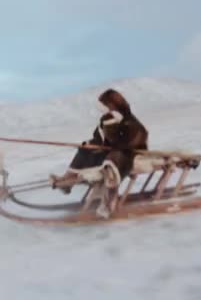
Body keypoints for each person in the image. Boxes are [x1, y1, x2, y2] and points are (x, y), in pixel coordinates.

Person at [51, 89, 149, 217]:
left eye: (103, 106)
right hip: (112, 150)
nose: (101, 109)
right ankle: (68, 181)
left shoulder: (128, 120)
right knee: (85, 150)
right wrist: (89, 144)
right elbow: (99, 138)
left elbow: (128, 140)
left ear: (111, 105)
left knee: (112, 162)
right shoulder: (108, 118)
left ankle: (109, 204)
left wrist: (109, 128)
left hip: (129, 153)